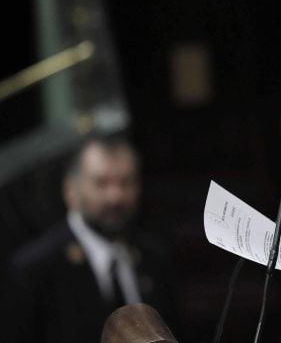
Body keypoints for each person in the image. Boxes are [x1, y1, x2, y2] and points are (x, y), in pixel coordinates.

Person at [1, 133, 177, 343]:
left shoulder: (154, 256)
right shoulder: (33, 269)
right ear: (70, 190)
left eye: (126, 182)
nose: (115, 196)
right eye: (101, 183)